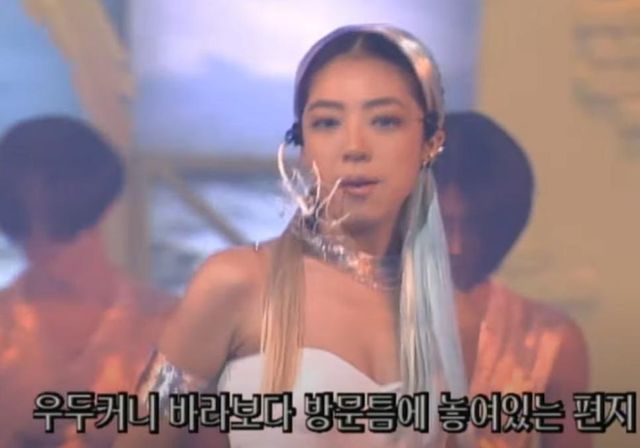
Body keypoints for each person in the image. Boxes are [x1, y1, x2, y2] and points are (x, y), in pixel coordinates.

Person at [116, 24, 468, 448]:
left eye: (385, 121)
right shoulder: (236, 283)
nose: (355, 147)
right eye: (327, 123)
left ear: (431, 142)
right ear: (302, 144)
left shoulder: (447, 314)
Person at [0, 115, 176, 447]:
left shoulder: (170, 328)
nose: (40, 246)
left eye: (63, 228)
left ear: (102, 207)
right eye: (21, 230)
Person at [434, 111, 591, 448]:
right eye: (443, 223)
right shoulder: (357, 319)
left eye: (474, 227)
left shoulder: (550, 340)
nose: (456, 246)